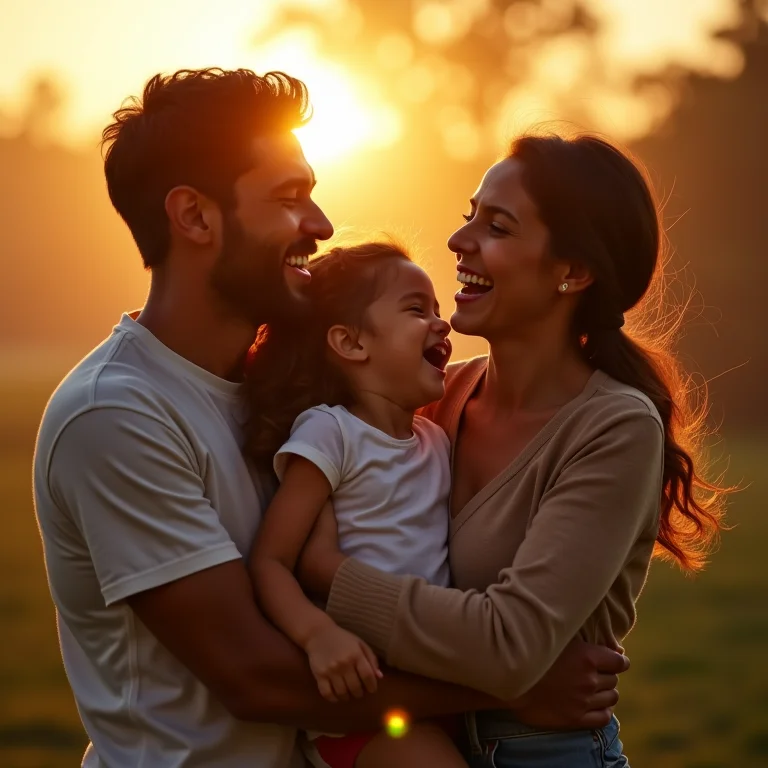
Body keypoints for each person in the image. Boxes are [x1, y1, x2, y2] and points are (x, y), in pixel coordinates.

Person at [31, 70, 629, 767]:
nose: (318, 225)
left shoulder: (279, 396)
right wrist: (504, 687)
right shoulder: (118, 414)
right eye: (289, 199)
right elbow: (254, 678)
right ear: (194, 217)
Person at [297, 133, 729, 767]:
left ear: (572, 272)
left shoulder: (614, 428)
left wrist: (327, 573)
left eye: (496, 226)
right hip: (415, 741)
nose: (459, 240)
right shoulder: (431, 397)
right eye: (469, 214)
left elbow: (509, 646)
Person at [247, 241, 467, 767]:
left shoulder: (436, 441)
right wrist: (318, 635)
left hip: (440, 694)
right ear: (349, 342)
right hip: (366, 706)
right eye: (418, 310)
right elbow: (271, 561)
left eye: (438, 310)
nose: (443, 325)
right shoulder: (330, 433)